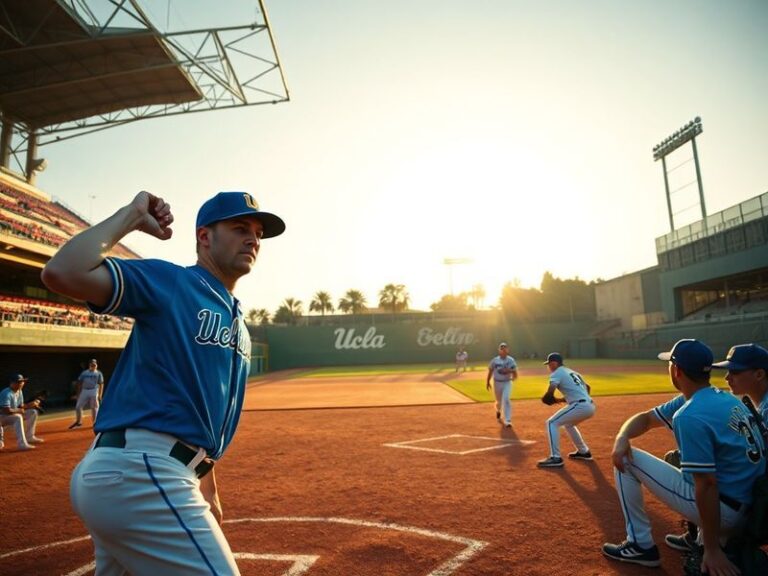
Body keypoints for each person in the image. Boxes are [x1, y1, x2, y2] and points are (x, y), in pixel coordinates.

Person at [41, 190, 285, 575]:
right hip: (142, 472)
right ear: (205, 237)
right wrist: (132, 216)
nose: (253, 239)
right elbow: (62, 272)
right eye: (240, 228)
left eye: (257, 232)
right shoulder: (173, 283)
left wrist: (209, 489)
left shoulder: (237, 319)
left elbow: (199, 409)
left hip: (146, 472)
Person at [602, 339, 766, 573]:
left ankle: (640, 545)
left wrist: (712, 550)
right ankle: (703, 538)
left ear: (676, 370)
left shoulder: (689, 414)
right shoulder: (726, 398)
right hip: (752, 509)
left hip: (727, 515)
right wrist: (622, 435)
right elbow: (647, 419)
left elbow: (707, 484)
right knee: (681, 459)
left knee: (627, 460)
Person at [664, 342, 768, 551]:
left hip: (755, 502)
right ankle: (706, 536)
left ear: (759, 374)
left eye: (735, 372)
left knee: (693, 466)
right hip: (750, 495)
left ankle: (721, 539)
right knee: (685, 459)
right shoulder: (752, 404)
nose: (727, 378)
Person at [536, 352, 596, 468]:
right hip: (590, 405)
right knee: (569, 424)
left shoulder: (557, 372)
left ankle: (556, 457)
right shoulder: (572, 372)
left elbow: (549, 394)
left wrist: (553, 399)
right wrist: (566, 399)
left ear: (554, 363)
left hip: (580, 406)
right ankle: (584, 452)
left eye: (549, 364)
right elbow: (588, 387)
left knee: (551, 423)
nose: (548, 367)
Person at [0, 373, 43, 450]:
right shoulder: (6, 393)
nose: (21, 383)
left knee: (33, 412)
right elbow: (5, 410)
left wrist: (31, 404)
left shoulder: (19, 391)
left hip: (9, 416)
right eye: (19, 382)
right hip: (2, 417)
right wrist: (18, 410)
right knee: (18, 417)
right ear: (12, 383)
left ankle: (30, 437)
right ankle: (22, 444)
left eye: (22, 381)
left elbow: (21, 406)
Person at [486, 342, 517, 428]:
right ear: (499, 350)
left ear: (508, 350)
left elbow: (514, 371)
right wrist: (488, 382)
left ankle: (508, 420)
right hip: (497, 383)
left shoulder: (511, 360)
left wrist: (511, 373)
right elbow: (490, 371)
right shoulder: (495, 360)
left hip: (507, 382)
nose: (503, 350)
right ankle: (498, 410)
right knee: (499, 401)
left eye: (505, 348)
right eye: (501, 349)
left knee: (506, 399)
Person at [68, 358, 105, 429]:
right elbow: (79, 382)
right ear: (89, 365)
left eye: (94, 364)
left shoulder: (98, 373)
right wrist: (78, 393)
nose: (93, 365)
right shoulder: (84, 373)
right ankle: (78, 422)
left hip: (94, 390)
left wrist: (100, 394)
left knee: (94, 408)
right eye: (92, 364)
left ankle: (95, 423)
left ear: (96, 365)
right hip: (84, 390)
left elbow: (101, 384)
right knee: (78, 406)